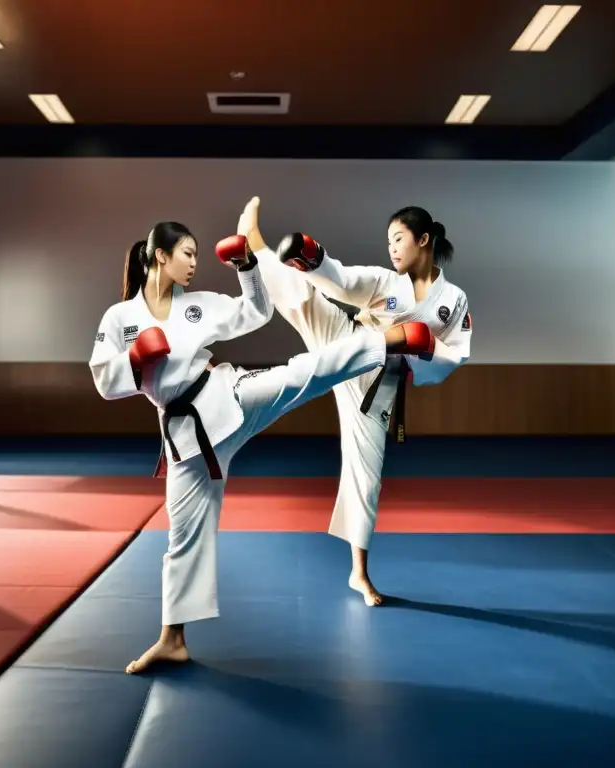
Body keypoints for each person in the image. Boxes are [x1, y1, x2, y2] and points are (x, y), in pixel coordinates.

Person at [88, 218, 438, 673]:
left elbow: (256, 312)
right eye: (187, 253)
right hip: (188, 442)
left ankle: (384, 342)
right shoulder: (121, 319)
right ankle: (172, 639)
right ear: (160, 256)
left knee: (302, 374)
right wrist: (133, 360)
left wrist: (248, 267)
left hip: (226, 397)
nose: (194, 262)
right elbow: (103, 381)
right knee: (183, 539)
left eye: (197, 254)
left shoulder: (197, 306)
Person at [237, 198, 472, 606]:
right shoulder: (386, 282)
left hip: (377, 386)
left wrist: (426, 347)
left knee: (366, 476)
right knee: (304, 299)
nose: (392, 249)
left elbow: (456, 355)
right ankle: (254, 246)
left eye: (398, 239)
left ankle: (358, 574)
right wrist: (312, 260)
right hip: (350, 340)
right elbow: (343, 281)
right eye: (388, 242)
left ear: (424, 239)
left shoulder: (454, 300)